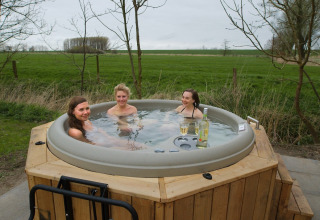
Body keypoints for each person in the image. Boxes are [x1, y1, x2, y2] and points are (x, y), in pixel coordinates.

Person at [67, 96, 144, 150]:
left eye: (87, 108)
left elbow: (99, 130)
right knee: (133, 150)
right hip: (103, 149)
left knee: (140, 146)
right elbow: (88, 147)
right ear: (73, 111)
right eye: (81, 110)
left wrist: (110, 138)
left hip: (108, 141)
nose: (86, 112)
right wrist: (107, 144)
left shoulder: (87, 122)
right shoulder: (75, 132)